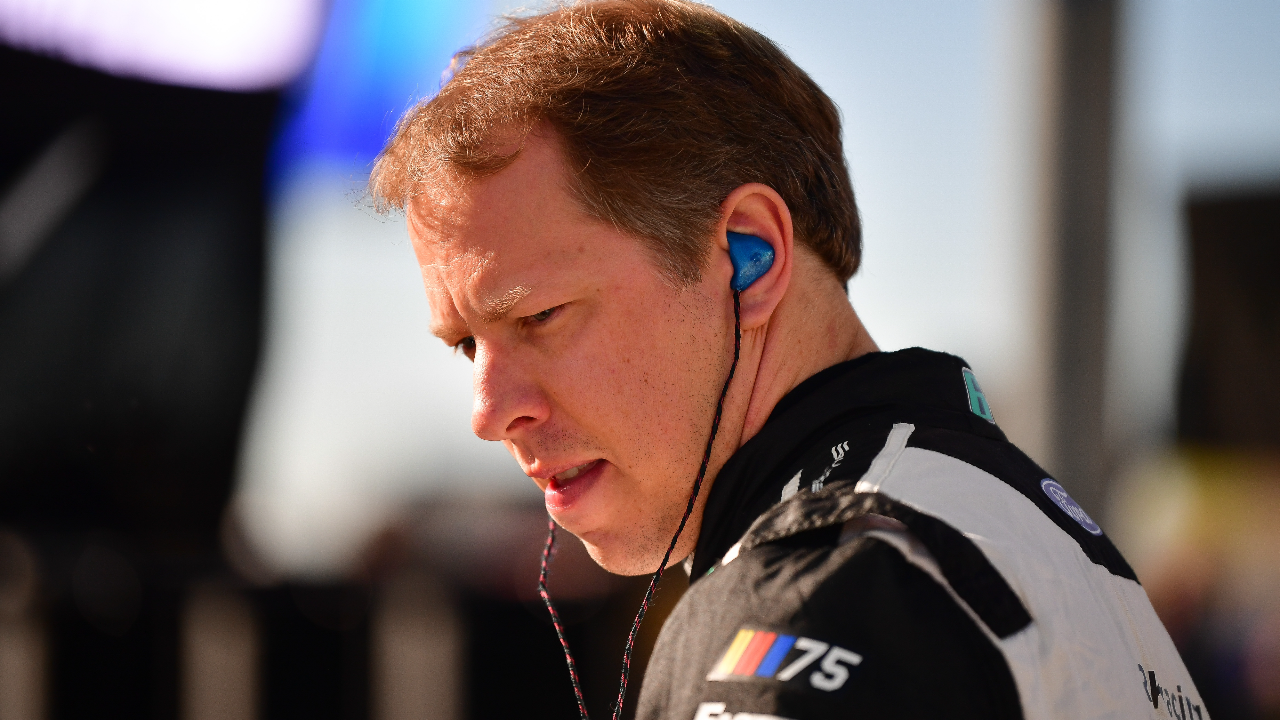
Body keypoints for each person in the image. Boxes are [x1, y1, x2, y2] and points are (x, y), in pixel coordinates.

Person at [369, 1, 1206, 718]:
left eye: (539, 317)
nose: (488, 412)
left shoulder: (818, 593)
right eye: (468, 345)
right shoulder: (1029, 534)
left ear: (750, 255)